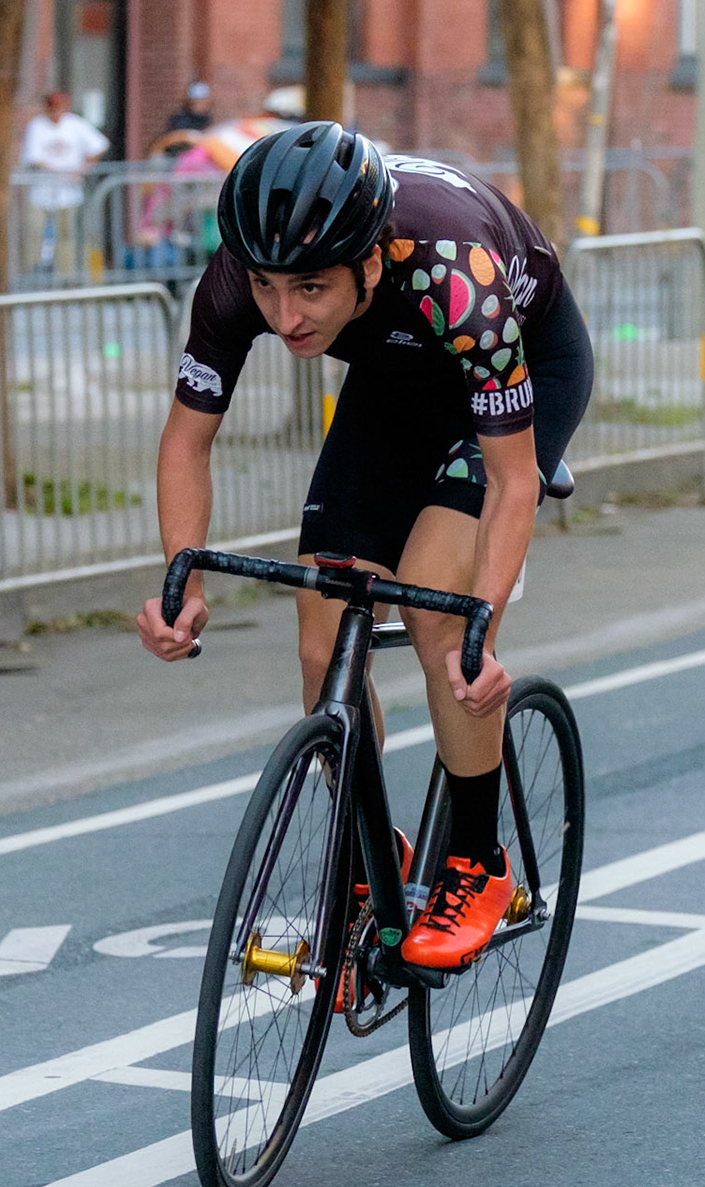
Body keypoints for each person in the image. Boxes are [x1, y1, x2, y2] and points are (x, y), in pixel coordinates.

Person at [135, 126, 594, 969]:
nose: (285, 316)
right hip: (395, 376)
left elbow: (510, 483)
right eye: (269, 289)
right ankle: (373, 855)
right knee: (321, 633)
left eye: (311, 288)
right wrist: (180, 579)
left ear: (370, 264)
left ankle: (477, 861)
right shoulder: (240, 273)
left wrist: (481, 625)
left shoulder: (456, 274)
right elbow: (186, 441)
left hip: (520, 365)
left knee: (436, 609)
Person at [21, 91, 109, 274]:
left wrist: (84, 168)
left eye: (59, 108)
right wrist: (62, 173)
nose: (56, 112)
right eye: (53, 108)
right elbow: (35, 158)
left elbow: (100, 144)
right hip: (41, 191)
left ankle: (65, 277)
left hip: (68, 193)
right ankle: (32, 274)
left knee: (66, 235)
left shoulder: (75, 124)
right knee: (35, 232)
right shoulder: (37, 126)